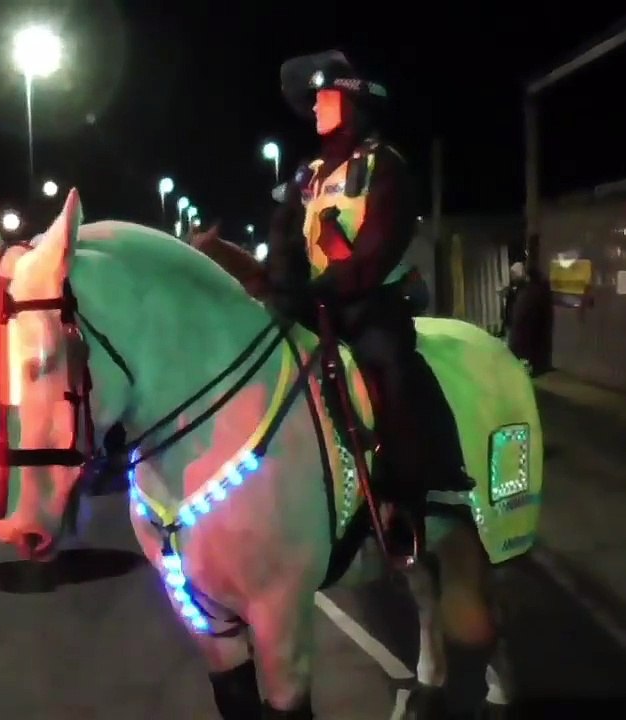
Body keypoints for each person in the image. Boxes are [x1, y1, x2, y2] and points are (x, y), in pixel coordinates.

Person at [267, 50, 472, 554]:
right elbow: (287, 241)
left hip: (371, 305)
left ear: (352, 105)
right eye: (312, 99)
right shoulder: (307, 175)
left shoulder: (385, 166)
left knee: (391, 371)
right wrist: (277, 283)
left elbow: (375, 254)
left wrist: (321, 288)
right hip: (316, 306)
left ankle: (407, 496)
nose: (315, 108)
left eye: (324, 97)